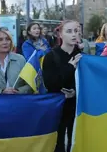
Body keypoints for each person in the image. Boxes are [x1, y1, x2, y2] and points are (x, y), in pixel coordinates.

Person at [42, 20, 81, 152]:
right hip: (57, 107)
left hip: (76, 107)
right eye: (69, 31)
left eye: (76, 31)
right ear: (60, 34)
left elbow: (86, 83)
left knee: (75, 140)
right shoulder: (50, 57)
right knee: (58, 143)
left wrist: (75, 92)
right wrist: (70, 67)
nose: (73, 35)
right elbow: (50, 83)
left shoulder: (83, 57)